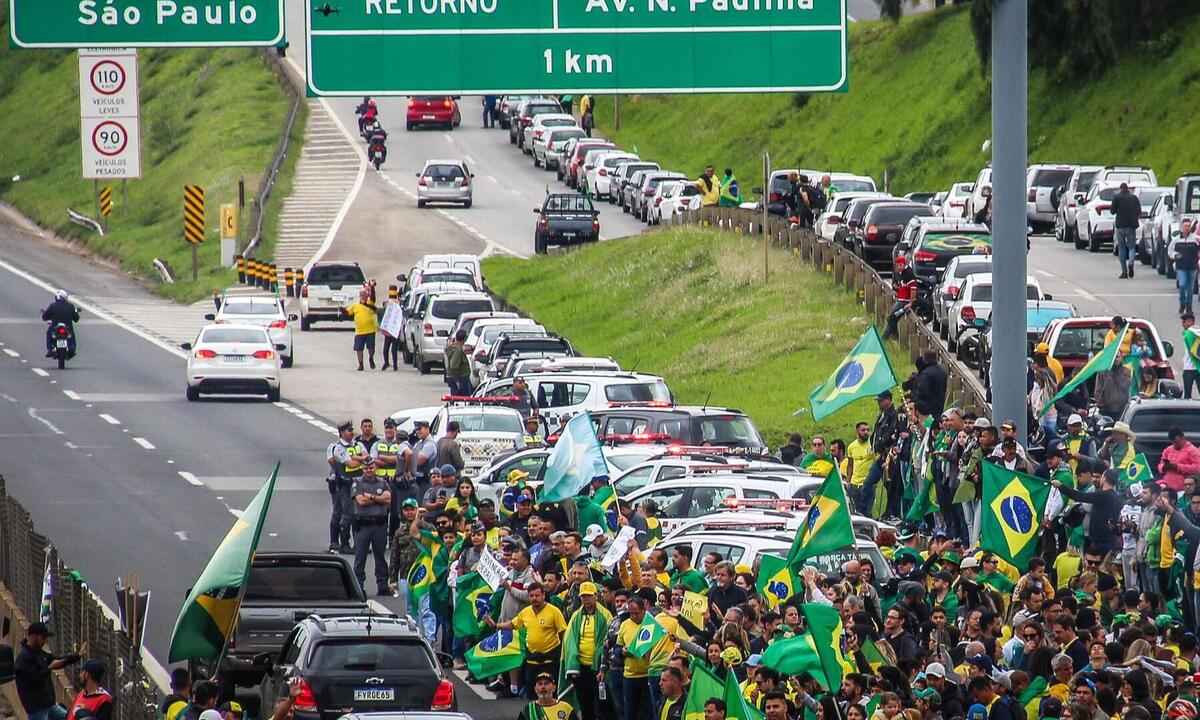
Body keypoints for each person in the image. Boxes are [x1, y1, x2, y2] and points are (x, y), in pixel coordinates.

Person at [491, 583, 568, 697]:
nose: (534, 599)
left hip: (549, 660)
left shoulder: (554, 611)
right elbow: (513, 624)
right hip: (531, 661)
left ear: (543, 595)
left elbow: (563, 632)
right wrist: (496, 625)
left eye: (537, 595)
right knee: (532, 693)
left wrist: (563, 654)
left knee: (550, 693)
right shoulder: (526, 612)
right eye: (531, 596)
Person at [15, 622, 79, 720]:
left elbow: (56, 660)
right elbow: (32, 680)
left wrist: (76, 656)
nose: (45, 641)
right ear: (33, 636)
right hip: (37, 710)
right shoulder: (23, 659)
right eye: (43, 637)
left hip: (50, 706)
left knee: (70, 717)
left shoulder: (39, 653)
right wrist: (49, 668)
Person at [352, 459, 391, 595]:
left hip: (379, 525)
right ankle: (358, 587)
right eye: (366, 468)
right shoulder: (357, 482)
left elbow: (388, 499)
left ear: (375, 468)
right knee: (360, 557)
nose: (369, 470)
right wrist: (378, 499)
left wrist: (372, 497)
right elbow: (361, 501)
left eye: (371, 467)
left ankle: (383, 586)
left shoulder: (383, 482)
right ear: (362, 469)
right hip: (363, 525)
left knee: (380, 557)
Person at [327, 421, 367, 554]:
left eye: (352, 429)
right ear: (342, 433)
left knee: (358, 514)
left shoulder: (358, 444)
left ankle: (358, 543)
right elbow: (350, 464)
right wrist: (360, 459)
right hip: (344, 485)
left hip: (359, 484)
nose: (352, 432)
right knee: (345, 514)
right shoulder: (337, 447)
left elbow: (368, 458)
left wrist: (358, 458)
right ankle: (341, 543)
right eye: (349, 430)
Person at [341, 288, 379, 371]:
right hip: (359, 331)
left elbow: (373, 297)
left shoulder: (370, 304)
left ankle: (371, 358)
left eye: (365, 295)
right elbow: (347, 312)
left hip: (370, 330)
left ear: (367, 296)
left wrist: (372, 288)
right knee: (359, 348)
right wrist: (342, 310)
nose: (363, 296)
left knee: (371, 348)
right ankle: (361, 364)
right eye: (361, 295)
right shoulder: (355, 306)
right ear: (359, 296)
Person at [1112, 183, 1142, 279]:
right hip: (1131, 225)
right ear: (1128, 189)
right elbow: (1139, 211)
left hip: (1120, 226)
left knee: (1121, 248)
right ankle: (1131, 262)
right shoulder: (1134, 198)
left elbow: (1112, 211)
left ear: (1121, 189)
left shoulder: (1117, 197)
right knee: (1132, 247)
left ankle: (1124, 272)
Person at [846, 421, 877, 514]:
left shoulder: (873, 444)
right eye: (863, 430)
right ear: (857, 432)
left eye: (868, 430)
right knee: (855, 512)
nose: (866, 432)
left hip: (868, 484)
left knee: (867, 512)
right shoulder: (851, 447)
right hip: (854, 485)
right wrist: (848, 480)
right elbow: (850, 465)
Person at [1172, 219, 1200, 314]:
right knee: (1182, 284)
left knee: (1190, 288)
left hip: (1192, 266)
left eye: (1188, 226)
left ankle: (1189, 307)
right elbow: (1170, 250)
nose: (1186, 228)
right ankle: (1182, 303)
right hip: (1181, 267)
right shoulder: (1176, 239)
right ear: (1181, 227)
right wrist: (1175, 255)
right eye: (1185, 226)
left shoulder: (1195, 239)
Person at [1159, 427, 1200, 492]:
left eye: (1177, 442)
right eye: (1173, 442)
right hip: (1167, 486)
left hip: (1183, 488)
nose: (1175, 444)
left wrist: (1177, 467)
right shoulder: (1168, 450)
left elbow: (1197, 468)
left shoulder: (1192, 450)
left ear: (1183, 438)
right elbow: (1160, 465)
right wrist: (1164, 467)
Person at [42, 289, 80, 358]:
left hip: (55, 327)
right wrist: (75, 313)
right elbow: (76, 319)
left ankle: (50, 349)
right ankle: (71, 349)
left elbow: (44, 317)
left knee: (49, 333)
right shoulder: (70, 306)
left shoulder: (52, 305)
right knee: (71, 336)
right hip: (67, 328)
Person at [445, 331, 472, 395]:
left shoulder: (453, 348)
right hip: (460, 378)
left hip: (455, 378)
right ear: (464, 339)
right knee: (462, 399)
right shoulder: (458, 350)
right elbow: (453, 366)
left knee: (456, 397)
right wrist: (457, 381)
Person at [1184, 312, 1200, 399]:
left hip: (1188, 369)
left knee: (1187, 396)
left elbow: (1191, 352)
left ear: (1191, 322)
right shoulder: (1197, 332)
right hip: (1198, 368)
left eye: (1185, 321)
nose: (1183, 324)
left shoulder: (1188, 334)